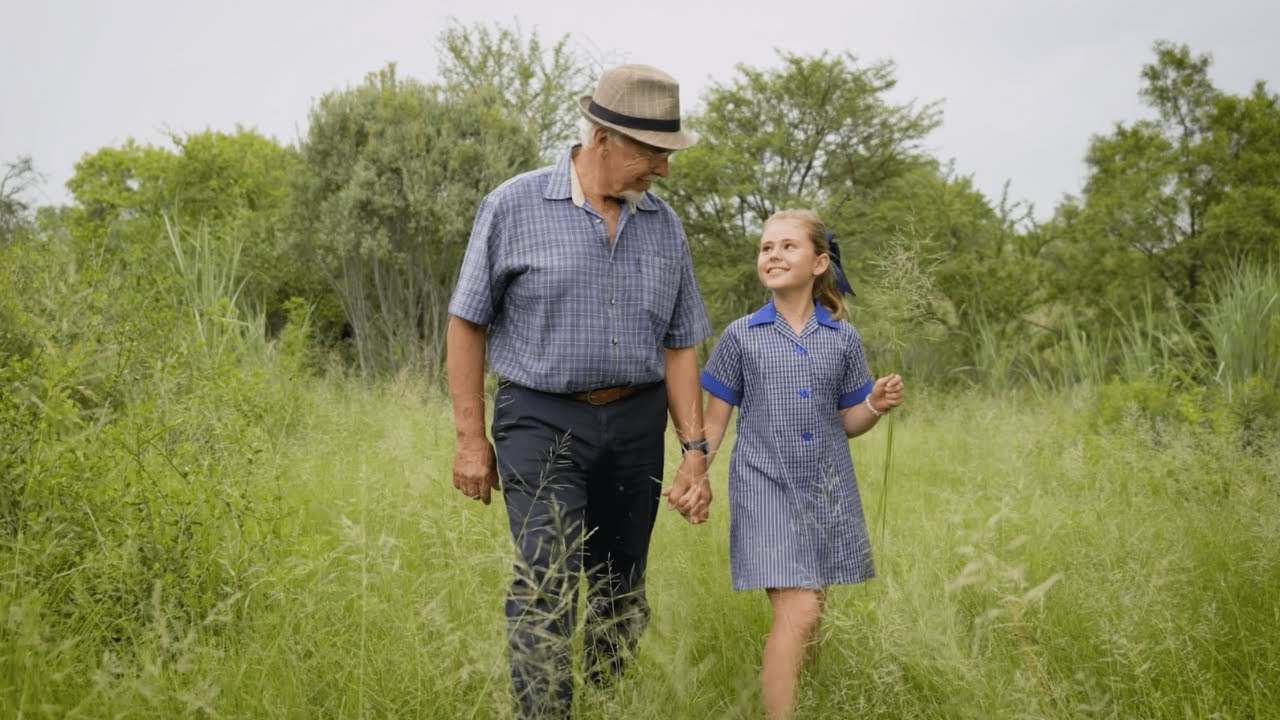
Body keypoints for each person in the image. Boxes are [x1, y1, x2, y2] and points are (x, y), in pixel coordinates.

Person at [446, 64, 713, 719]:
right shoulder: (513, 205)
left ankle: (609, 701)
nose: (664, 170)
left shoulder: (664, 227)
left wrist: (696, 449)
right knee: (546, 578)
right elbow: (466, 321)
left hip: (636, 421)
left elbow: (681, 343)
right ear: (602, 139)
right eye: (653, 153)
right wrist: (469, 440)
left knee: (621, 586)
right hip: (539, 419)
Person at [699, 208, 904, 719]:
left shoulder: (842, 338)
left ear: (819, 262)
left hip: (825, 487)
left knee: (815, 610)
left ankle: (800, 699)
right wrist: (694, 473)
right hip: (764, 486)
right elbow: (715, 424)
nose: (773, 255)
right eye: (767, 247)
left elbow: (848, 420)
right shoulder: (740, 336)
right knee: (802, 607)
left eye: (788, 246)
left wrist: (875, 404)